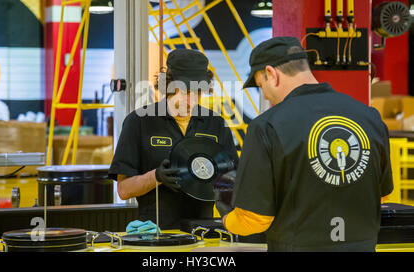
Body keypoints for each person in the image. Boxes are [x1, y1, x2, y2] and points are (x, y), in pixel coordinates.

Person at [215, 37, 393, 251]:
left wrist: (226, 220)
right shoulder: (370, 117)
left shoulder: (267, 126)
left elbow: (254, 219)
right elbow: (383, 195)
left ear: (271, 74)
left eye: (261, 85)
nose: (264, 94)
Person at [109, 48, 239, 229]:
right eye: (185, 92)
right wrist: (155, 176)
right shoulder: (139, 122)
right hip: (156, 234)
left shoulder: (215, 124)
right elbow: (123, 190)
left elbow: (233, 181)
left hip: (203, 235)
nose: (192, 100)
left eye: (198, 93)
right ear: (168, 85)